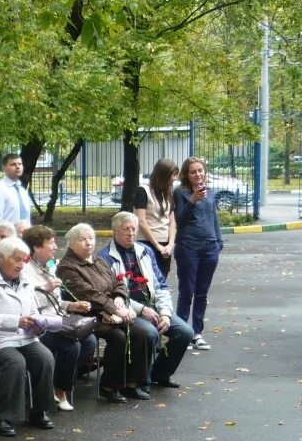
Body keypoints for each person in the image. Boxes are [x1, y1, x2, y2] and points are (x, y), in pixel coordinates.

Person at [56, 224, 156, 403]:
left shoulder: (99, 261)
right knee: (119, 337)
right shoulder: (67, 267)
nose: (89, 243)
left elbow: (118, 282)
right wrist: (115, 309)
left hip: (114, 309)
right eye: (82, 239)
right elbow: (87, 294)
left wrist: (119, 297)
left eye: (91, 238)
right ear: (71, 244)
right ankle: (109, 386)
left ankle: (133, 383)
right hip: (89, 313)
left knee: (145, 332)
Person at [0, 237, 55, 436]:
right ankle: (2, 417)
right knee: (15, 361)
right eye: (17, 260)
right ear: (2, 257)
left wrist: (38, 324)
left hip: (21, 335)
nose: (21, 265)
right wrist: (16, 321)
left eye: (24, 260)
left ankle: (40, 411)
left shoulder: (25, 279)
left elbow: (31, 310)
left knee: (44, 357)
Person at [100, 212, 194, 389]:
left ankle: (160, 374)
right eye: (125, 229)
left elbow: (161, 286)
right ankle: (139, 381)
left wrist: (165, 313)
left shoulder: (145, 251)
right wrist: (141, 310)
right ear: (114, 231)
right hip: (127, 310)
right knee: (149, 332)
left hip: (153, 305)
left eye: (134, 229)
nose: (131, 233)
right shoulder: (105, 258)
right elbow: (111, 296)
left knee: (185, 332)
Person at [22, 225, 96, 412]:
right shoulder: (24, 270)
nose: (55, 247)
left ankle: (59, 382)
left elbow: (56, 302)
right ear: (37, 247)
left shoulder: (47, 266)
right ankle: (59, 391)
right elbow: (26, 303)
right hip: (38, 325)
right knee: (72, 346)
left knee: (90, 341)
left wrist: (72, 305)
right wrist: (45, 288)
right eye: (51, 243)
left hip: (57, 318)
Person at [173, 156, 223, 350]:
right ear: (186, 174)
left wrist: (219, 242)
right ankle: (182, 332)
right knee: (187, 292)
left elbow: (214, 217)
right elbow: (179, 219)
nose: (197, 174)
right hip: (188, 247)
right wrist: (192, 201)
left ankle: (197, 333)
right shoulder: (181, 192)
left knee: (202, 293)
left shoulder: (209, 192)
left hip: (210, 248)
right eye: (193, 171)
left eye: (200, 171)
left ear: (204, 172)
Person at [135, 158, 178, 278]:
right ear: (163, 175)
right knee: (147, 282)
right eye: (173, 175)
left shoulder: (168, 194)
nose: (175, 178)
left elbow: (172, 222)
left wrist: (170, 245)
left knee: (162, 281)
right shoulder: (143, 191)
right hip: (146, 243)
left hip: (165, 246)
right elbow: (141, 221)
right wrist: (157, 245)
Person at [0, 153, 33, 230]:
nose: (17, 167)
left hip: (24, 238)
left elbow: (27, 219)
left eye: (20, 164)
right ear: (4, 168)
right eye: (13, 164)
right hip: (6, 238)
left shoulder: (21, 190)